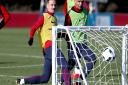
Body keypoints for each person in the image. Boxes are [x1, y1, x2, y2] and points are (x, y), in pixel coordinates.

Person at [16, 0, 70, 85]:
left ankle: (22, 81)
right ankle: (63, 82)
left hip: (49, 50)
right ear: (47, 6)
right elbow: (33, 28)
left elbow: (54, 34)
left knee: (45, 78)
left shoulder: (55, 18)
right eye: (51, 5)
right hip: (49, 47)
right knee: (65, 66)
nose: (53, 7)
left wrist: (63, 34)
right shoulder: (44, 17)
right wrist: (31, 38)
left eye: (55, 5)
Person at [61, 0, 96, 84]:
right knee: (70, 65)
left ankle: (80, 80)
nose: (80, 4)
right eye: (78, 1)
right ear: (74, 1)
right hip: (74, 44)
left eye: (82, 2)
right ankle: (60, 81)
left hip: (83, 44)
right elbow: (66, 30)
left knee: (93, 59)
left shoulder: (86, 11)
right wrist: (69, 44)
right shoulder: (69, 14)